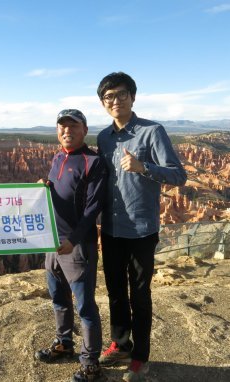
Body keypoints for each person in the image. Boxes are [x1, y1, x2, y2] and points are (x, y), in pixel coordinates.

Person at [96, 72, 187, 382]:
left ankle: (140, 357)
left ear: (132, 97)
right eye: (109, 97)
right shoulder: (103, 138)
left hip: (141, 229)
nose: (116, 101)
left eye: (121, 94)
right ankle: (120, 344)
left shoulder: (152, 132)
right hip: (110, 228)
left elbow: (178, 176)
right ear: (103, 103)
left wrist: (143, 167)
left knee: (139, 294)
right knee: (115, 292)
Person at [35, 109, 107, 382]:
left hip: (76, 247)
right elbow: (57, 189)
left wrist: (73, 240)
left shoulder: (93, 161)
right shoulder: (57, 157)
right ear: (57, 131)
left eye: (73, 126)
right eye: (62, 126)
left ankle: (91, 363)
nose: (67, 131)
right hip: (52, 244)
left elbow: (93, 208)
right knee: (58, 298)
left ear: (84, 130)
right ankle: (64, 343)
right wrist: (43, 187)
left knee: (85, 306)